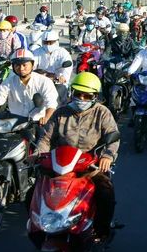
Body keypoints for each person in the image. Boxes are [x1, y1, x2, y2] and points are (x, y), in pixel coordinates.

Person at [35, 72, 119, 240]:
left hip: (90, 167)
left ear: (95, 96)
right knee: (33, 193)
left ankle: (100, 232)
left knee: (105, 193)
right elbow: (45, 138)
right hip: (59, 166)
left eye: (87, 96)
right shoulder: (60, 112)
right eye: (77, 94)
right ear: (71, 93)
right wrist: (39, 154)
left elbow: (113, 136)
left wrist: (108, 156)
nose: (81, 98)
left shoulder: (102, 113)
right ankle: (38, 228)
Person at [0, 49, 59, 127]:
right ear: (13, 67)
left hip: (37, 124)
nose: (21, 68)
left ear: (32, 65)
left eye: (25, 65)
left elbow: (51, 104)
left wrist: (46, 118)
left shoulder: (44, 82)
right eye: (17, 65)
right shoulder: (8, 82)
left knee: (42, 144)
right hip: (14, 124)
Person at [32, 30, 73, 105]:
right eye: (45, 42)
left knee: (55, 100)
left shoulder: (63, 53)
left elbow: (67, 68)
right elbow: (32, 64)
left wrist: (63, 77)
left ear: (57, 41)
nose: (48, 45)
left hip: (57, 82)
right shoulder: (37, 52)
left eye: (51, 42)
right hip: (40, 81)